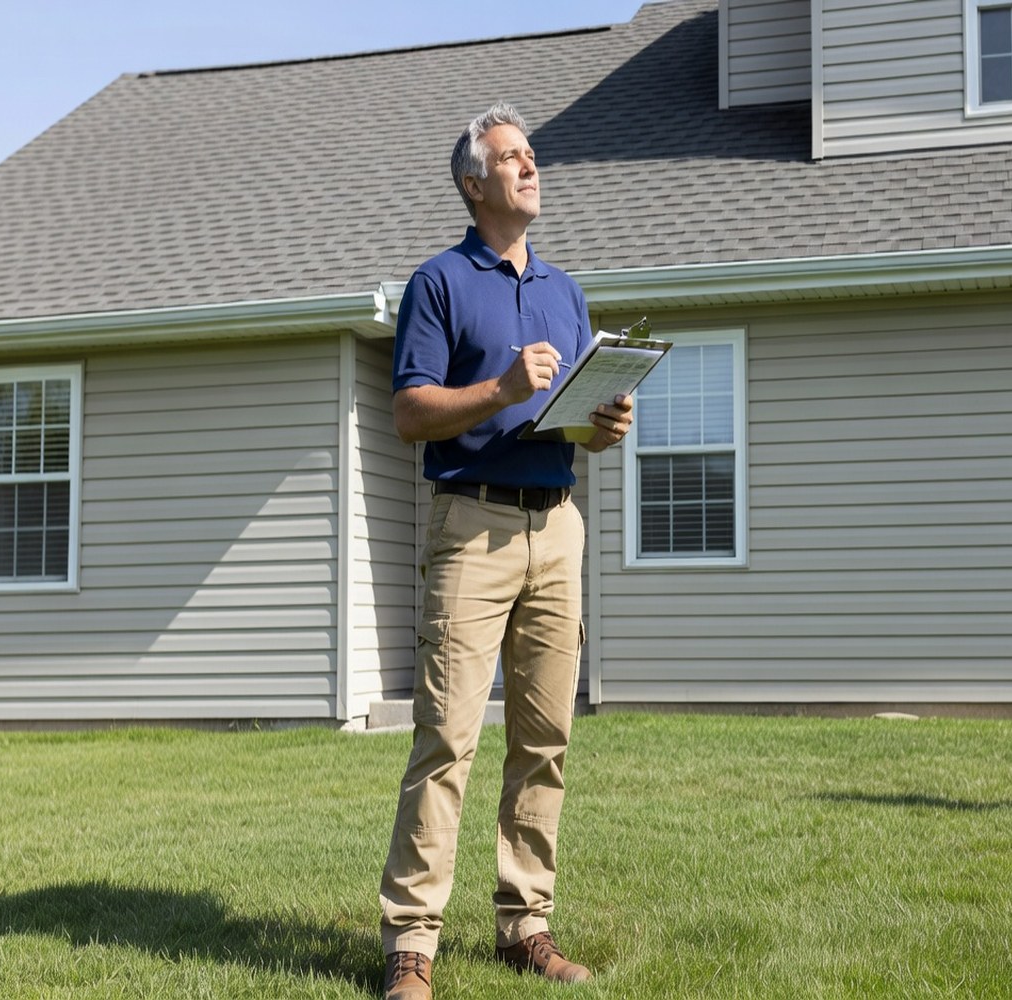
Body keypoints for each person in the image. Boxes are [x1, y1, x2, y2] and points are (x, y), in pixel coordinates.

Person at [377, 102, 634, 1000]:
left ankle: (525, 925)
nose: (531, 167)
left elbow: (568, 419)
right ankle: (412, 944)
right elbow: (411, 413)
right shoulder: (439, 283)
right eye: (512, 159)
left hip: (557, 525)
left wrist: (604, 427)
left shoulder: (565, 293)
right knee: (446, 737)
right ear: (473, 183)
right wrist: (498, 387)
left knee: (545, 737)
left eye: (533, 155)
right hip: (471, 527)